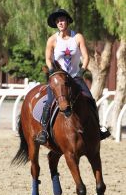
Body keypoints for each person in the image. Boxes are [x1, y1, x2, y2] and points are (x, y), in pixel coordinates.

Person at [36, 8, 110, 145]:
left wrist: (82, 70)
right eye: (57, 21)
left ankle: (98, 129)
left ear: (68, 21)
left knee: (90, 99)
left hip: (75, 77)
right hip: (59, 78)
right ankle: (44, 132)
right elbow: (47, 58)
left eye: (62, 20)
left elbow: (86, 56)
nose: (60, 22)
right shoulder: (52, 40)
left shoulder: (77, 37)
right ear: (56, 24)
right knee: (49, 102)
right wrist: (52, 70)